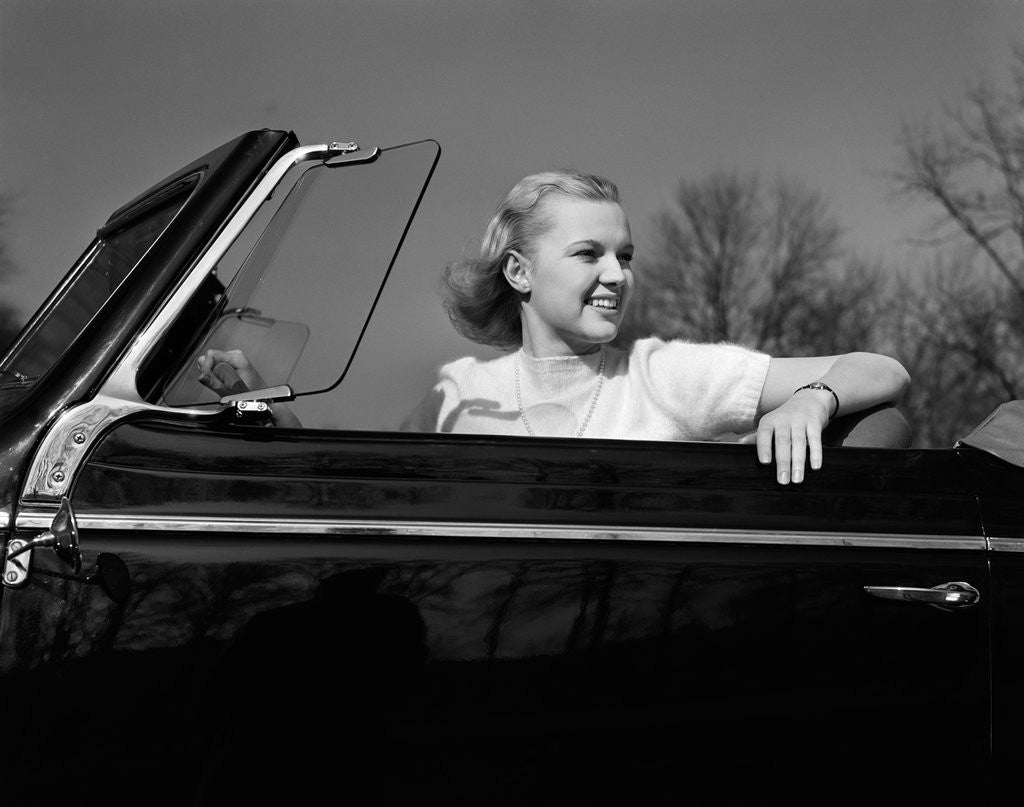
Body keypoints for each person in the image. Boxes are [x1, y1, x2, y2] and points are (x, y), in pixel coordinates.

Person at [400, 169, 911, 485]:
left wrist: (810, 400)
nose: (616, 275)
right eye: (587, 254)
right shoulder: (456, 395)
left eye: (624, 256)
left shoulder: (658, 375)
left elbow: (881, 370)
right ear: (519, 272)